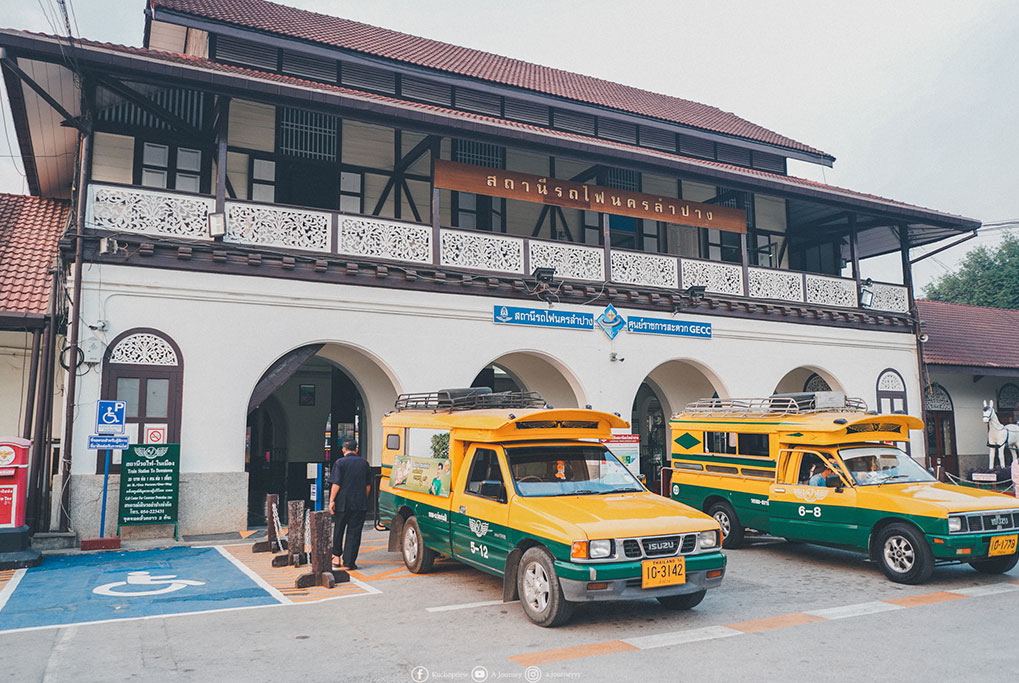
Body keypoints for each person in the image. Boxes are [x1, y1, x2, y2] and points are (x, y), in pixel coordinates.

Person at [328, 439, 372, 570]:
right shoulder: (364, 463)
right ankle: (349, 562)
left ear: (343, 450)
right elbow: (367, 485)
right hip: (359, 503)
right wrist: (364, 498)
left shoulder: (340, 462)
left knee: (339, 529)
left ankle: (336, 557)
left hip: (342, 503)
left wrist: (331, 501)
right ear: (356, 450)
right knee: (354, 532)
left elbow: (336, 484)